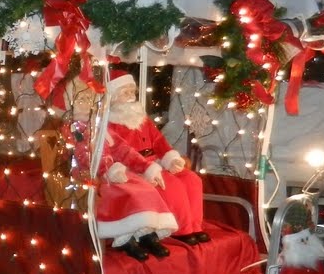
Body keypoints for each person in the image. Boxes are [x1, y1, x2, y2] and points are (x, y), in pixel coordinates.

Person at [55, 78, 177, 261]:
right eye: (81, 100)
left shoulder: (100, 126)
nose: (87, 104)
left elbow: (123, 149)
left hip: (112, 172)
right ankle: (125, 237)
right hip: (90, 176)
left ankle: (145, 234)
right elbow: (83, 156)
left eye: (90, 99)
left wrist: (146, 167)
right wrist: (108, 169)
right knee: (127, 193)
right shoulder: (73, 130)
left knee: (143, 187)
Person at [105, 70, 209, 246]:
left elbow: (159, 141)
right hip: (134, 168)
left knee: (192, 179)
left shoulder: (141, 118)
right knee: (172, 185)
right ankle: (181, 229)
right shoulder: (110, 124)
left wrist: (171, 158)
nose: (131, 96)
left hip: (155, 162)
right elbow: (120, 153)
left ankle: (194, 226)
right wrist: (147, 167)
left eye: (132, 91)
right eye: (125, 92)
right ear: (113, 97)